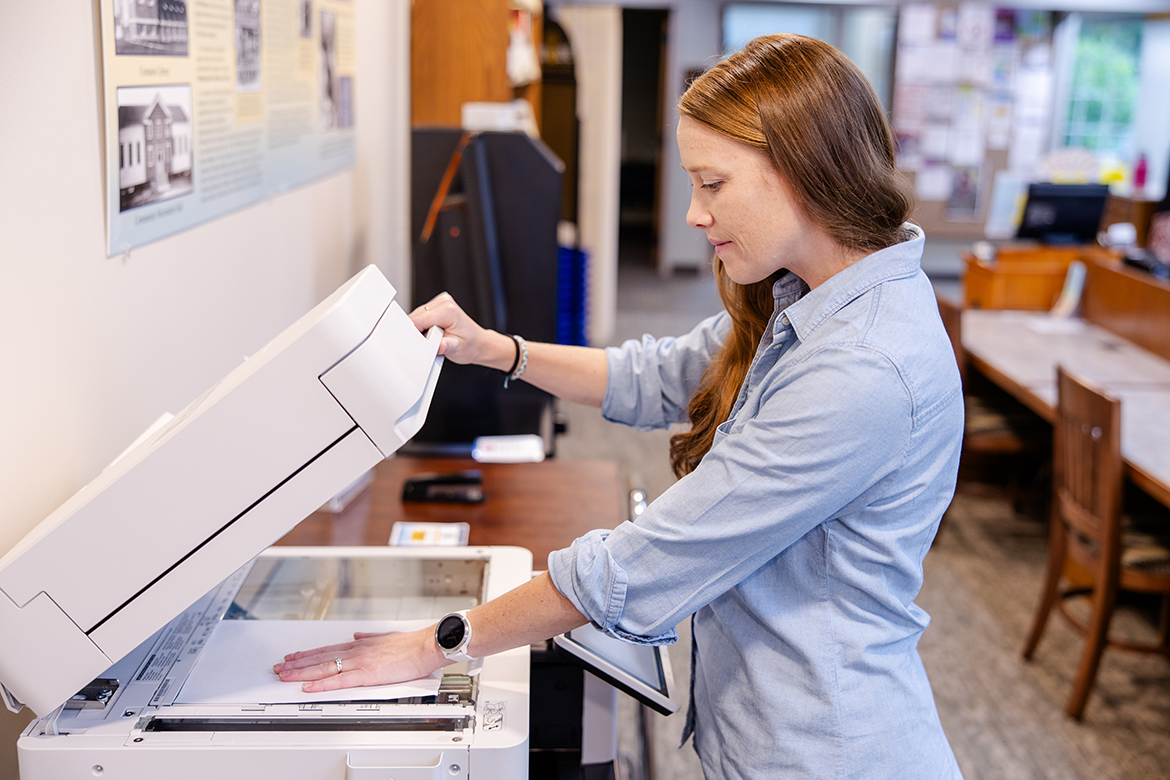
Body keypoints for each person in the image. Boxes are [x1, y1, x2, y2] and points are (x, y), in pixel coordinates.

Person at [275, 34, 965, 779]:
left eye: (713, 183)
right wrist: (498, 349)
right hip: (769, 726)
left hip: (827, 746)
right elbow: (657, 375)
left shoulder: (864, 366)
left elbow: (647, 563)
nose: (696, 214)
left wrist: (434, 643)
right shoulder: (809, 293)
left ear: (804, 171)